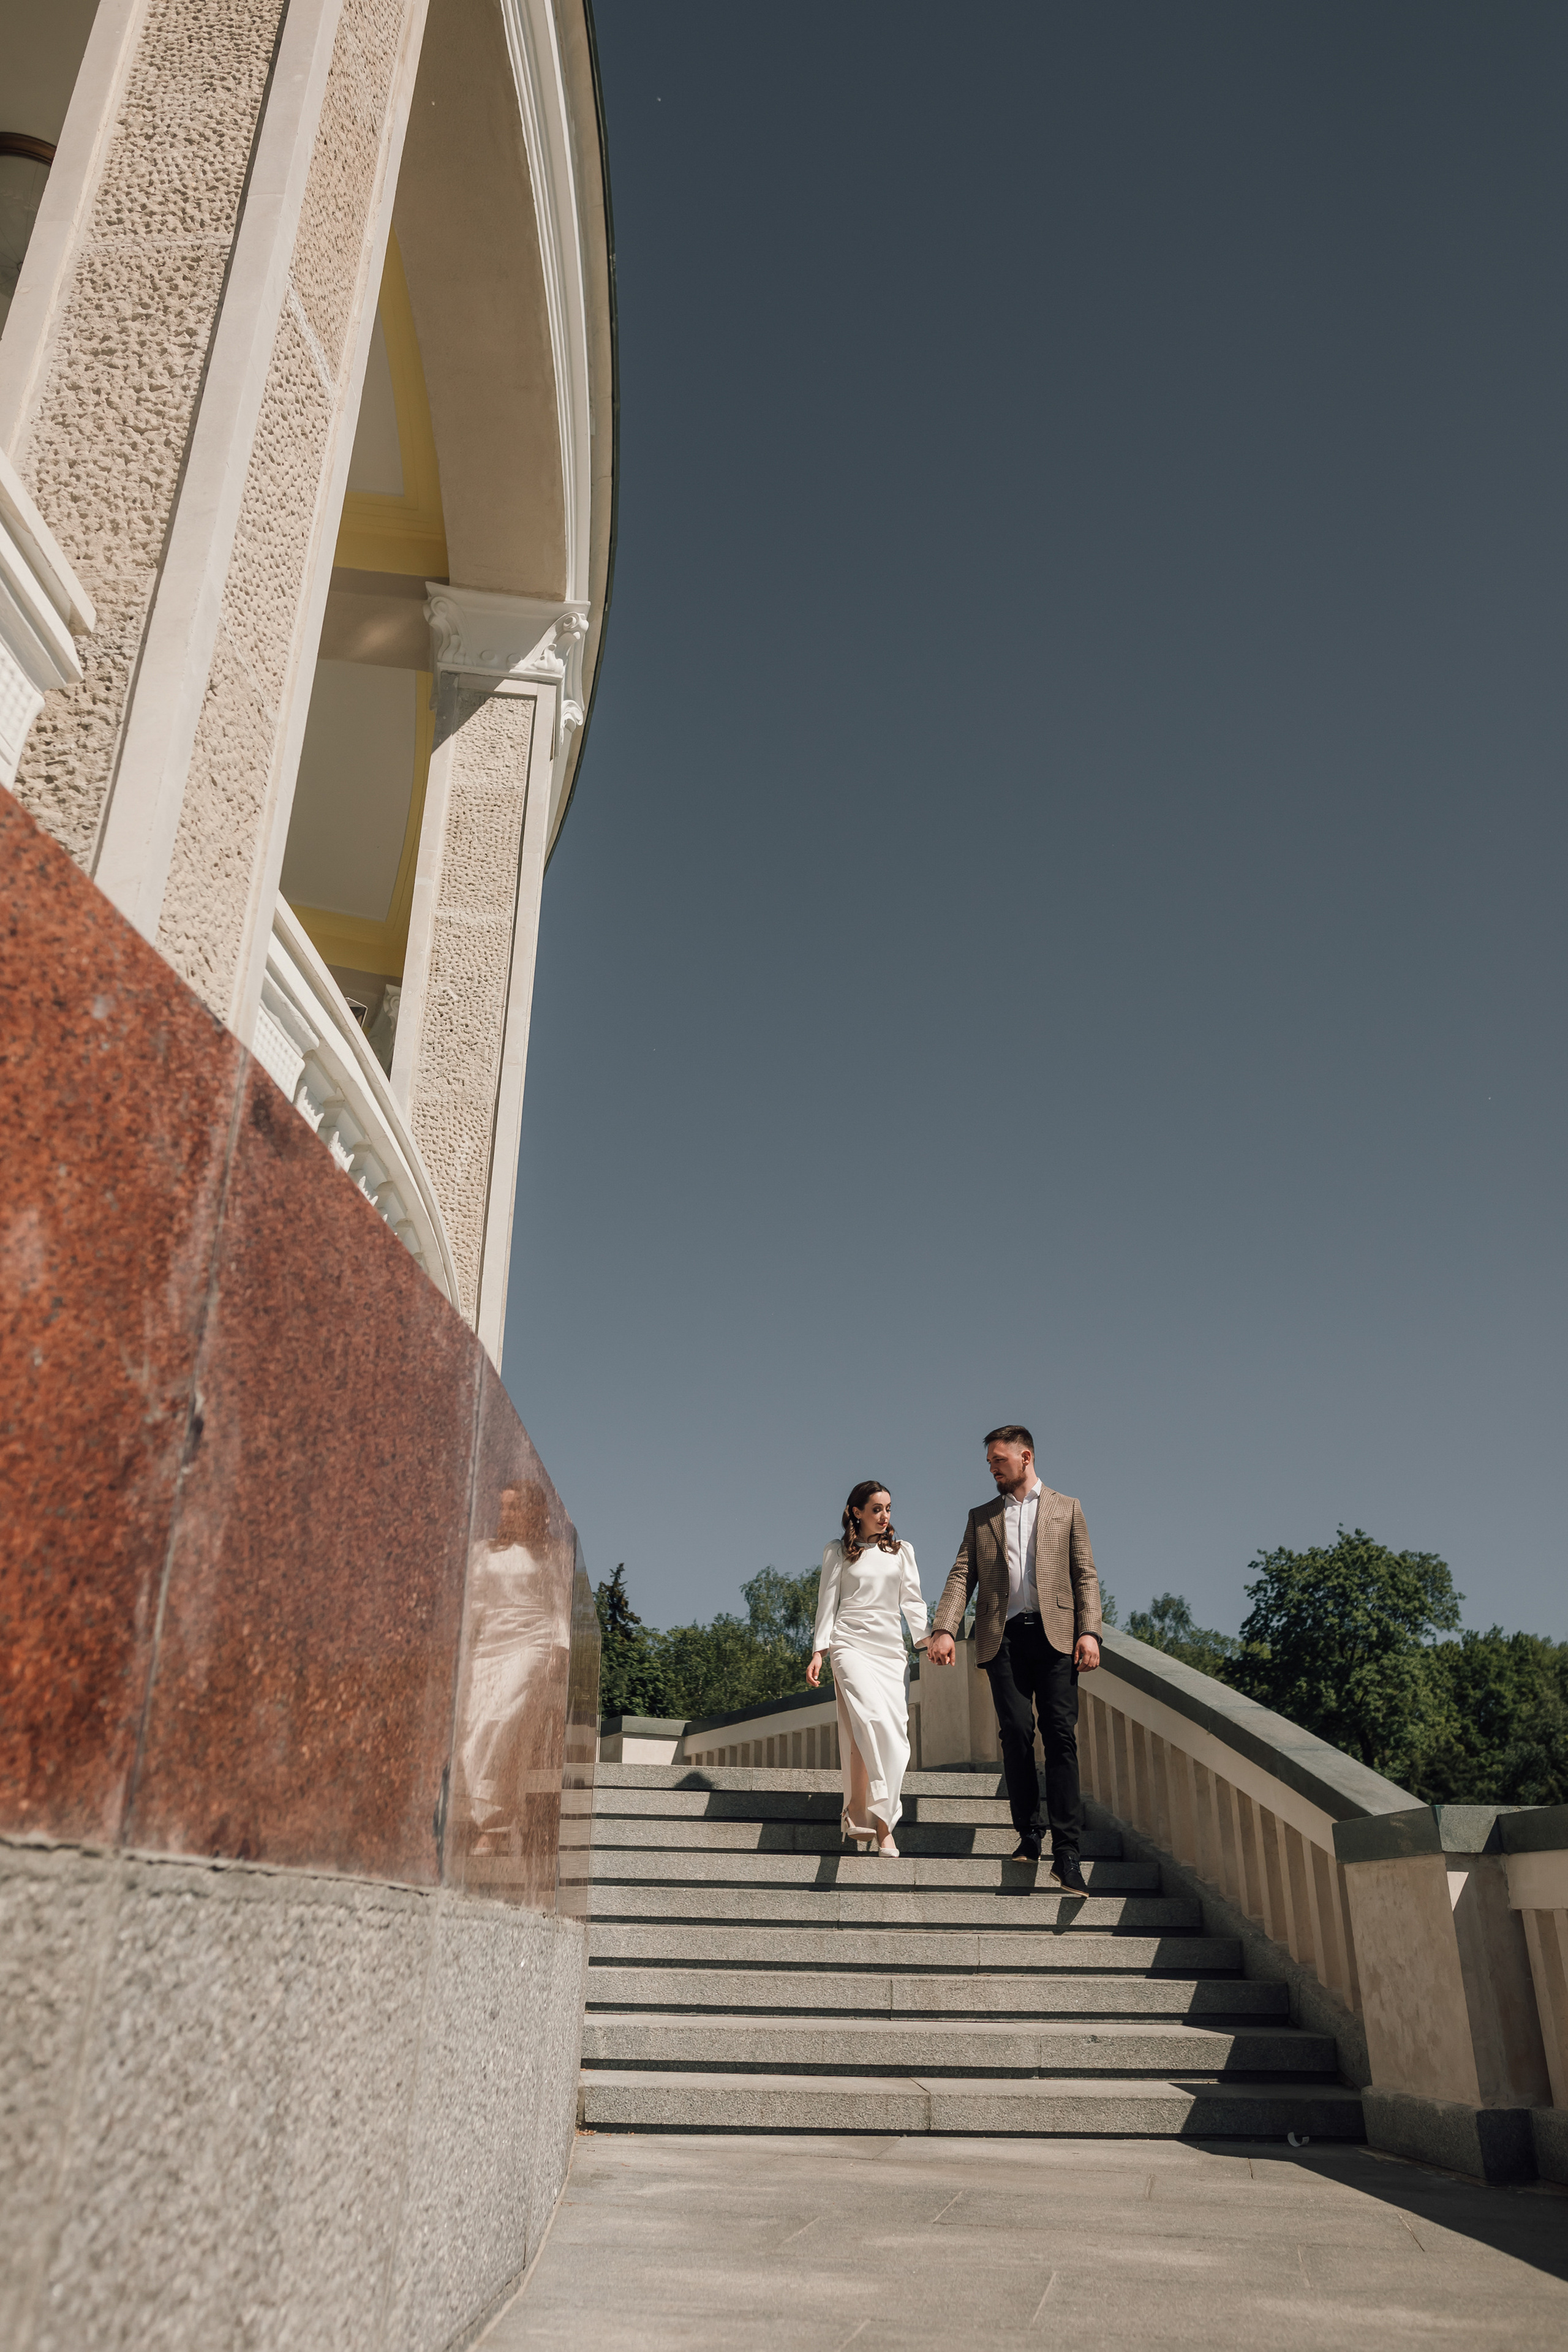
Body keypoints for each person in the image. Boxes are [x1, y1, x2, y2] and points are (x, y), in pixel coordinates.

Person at [927, 1425, 1102, 1889]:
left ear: (1025, 1457)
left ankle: (1068, 1854)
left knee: (1061, 1736)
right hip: (1002, 1637)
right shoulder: (981, 1516)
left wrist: (1090, 1632)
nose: (992, 1470)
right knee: (1016, 1732)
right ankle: (1028, 1834)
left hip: (1057, 1638)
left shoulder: (1067, 1508)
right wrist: (944, 1628)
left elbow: (1085, 1575)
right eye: (989, 1463)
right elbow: (962, 1574)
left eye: (998, 1461)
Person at [807, 1481, 929, 1856]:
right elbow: (827, 1603)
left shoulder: (902, 1552)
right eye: (877, 1509)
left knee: (896, 1737)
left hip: (891, 1652)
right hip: (850, 1646)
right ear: (857, 1512)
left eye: (888, 1509)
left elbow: (913, 1601)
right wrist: (819, 1651)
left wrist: (928, 1642)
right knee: (871, 1718)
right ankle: (872, 1820)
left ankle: (875, 1819)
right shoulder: (838, 1552)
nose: (885, 1516)